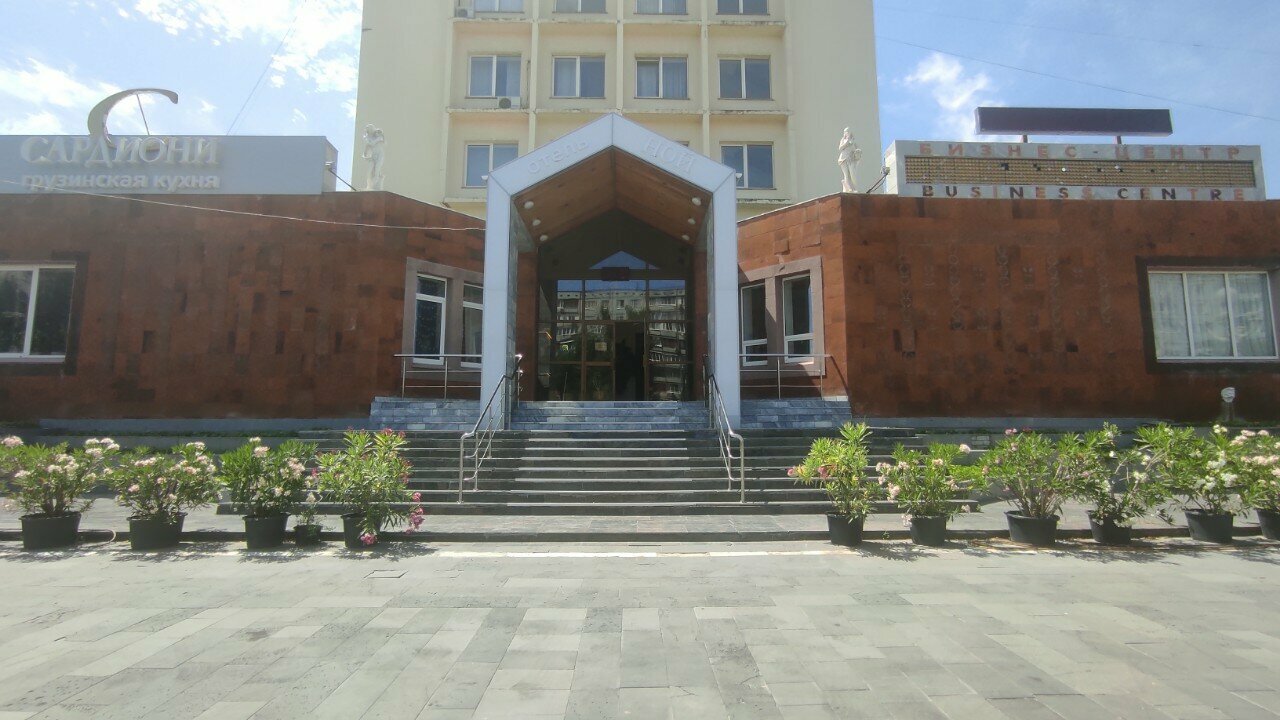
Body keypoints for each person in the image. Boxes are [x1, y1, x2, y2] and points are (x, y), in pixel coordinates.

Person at [838, 127, 862, 193]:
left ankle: (854, 188)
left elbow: (858, 149)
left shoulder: (853, 140)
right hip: (843, 158)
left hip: (851, 158)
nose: (847, 133)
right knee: (846, 175)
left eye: (848, 131)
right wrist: (847, 142)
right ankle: (848, 188)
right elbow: (840, 148)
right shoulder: (843, 140)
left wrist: (858, 152)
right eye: (846, 132)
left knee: (852, 173)